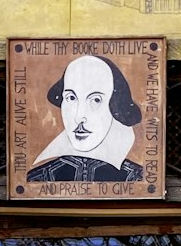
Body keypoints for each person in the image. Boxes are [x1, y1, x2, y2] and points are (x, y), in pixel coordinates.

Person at [27, 54, 144, 184]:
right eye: (71, 98)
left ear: (115, 105)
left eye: (96, 100)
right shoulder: (37, 178)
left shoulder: (137, 178)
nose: (79, 118)